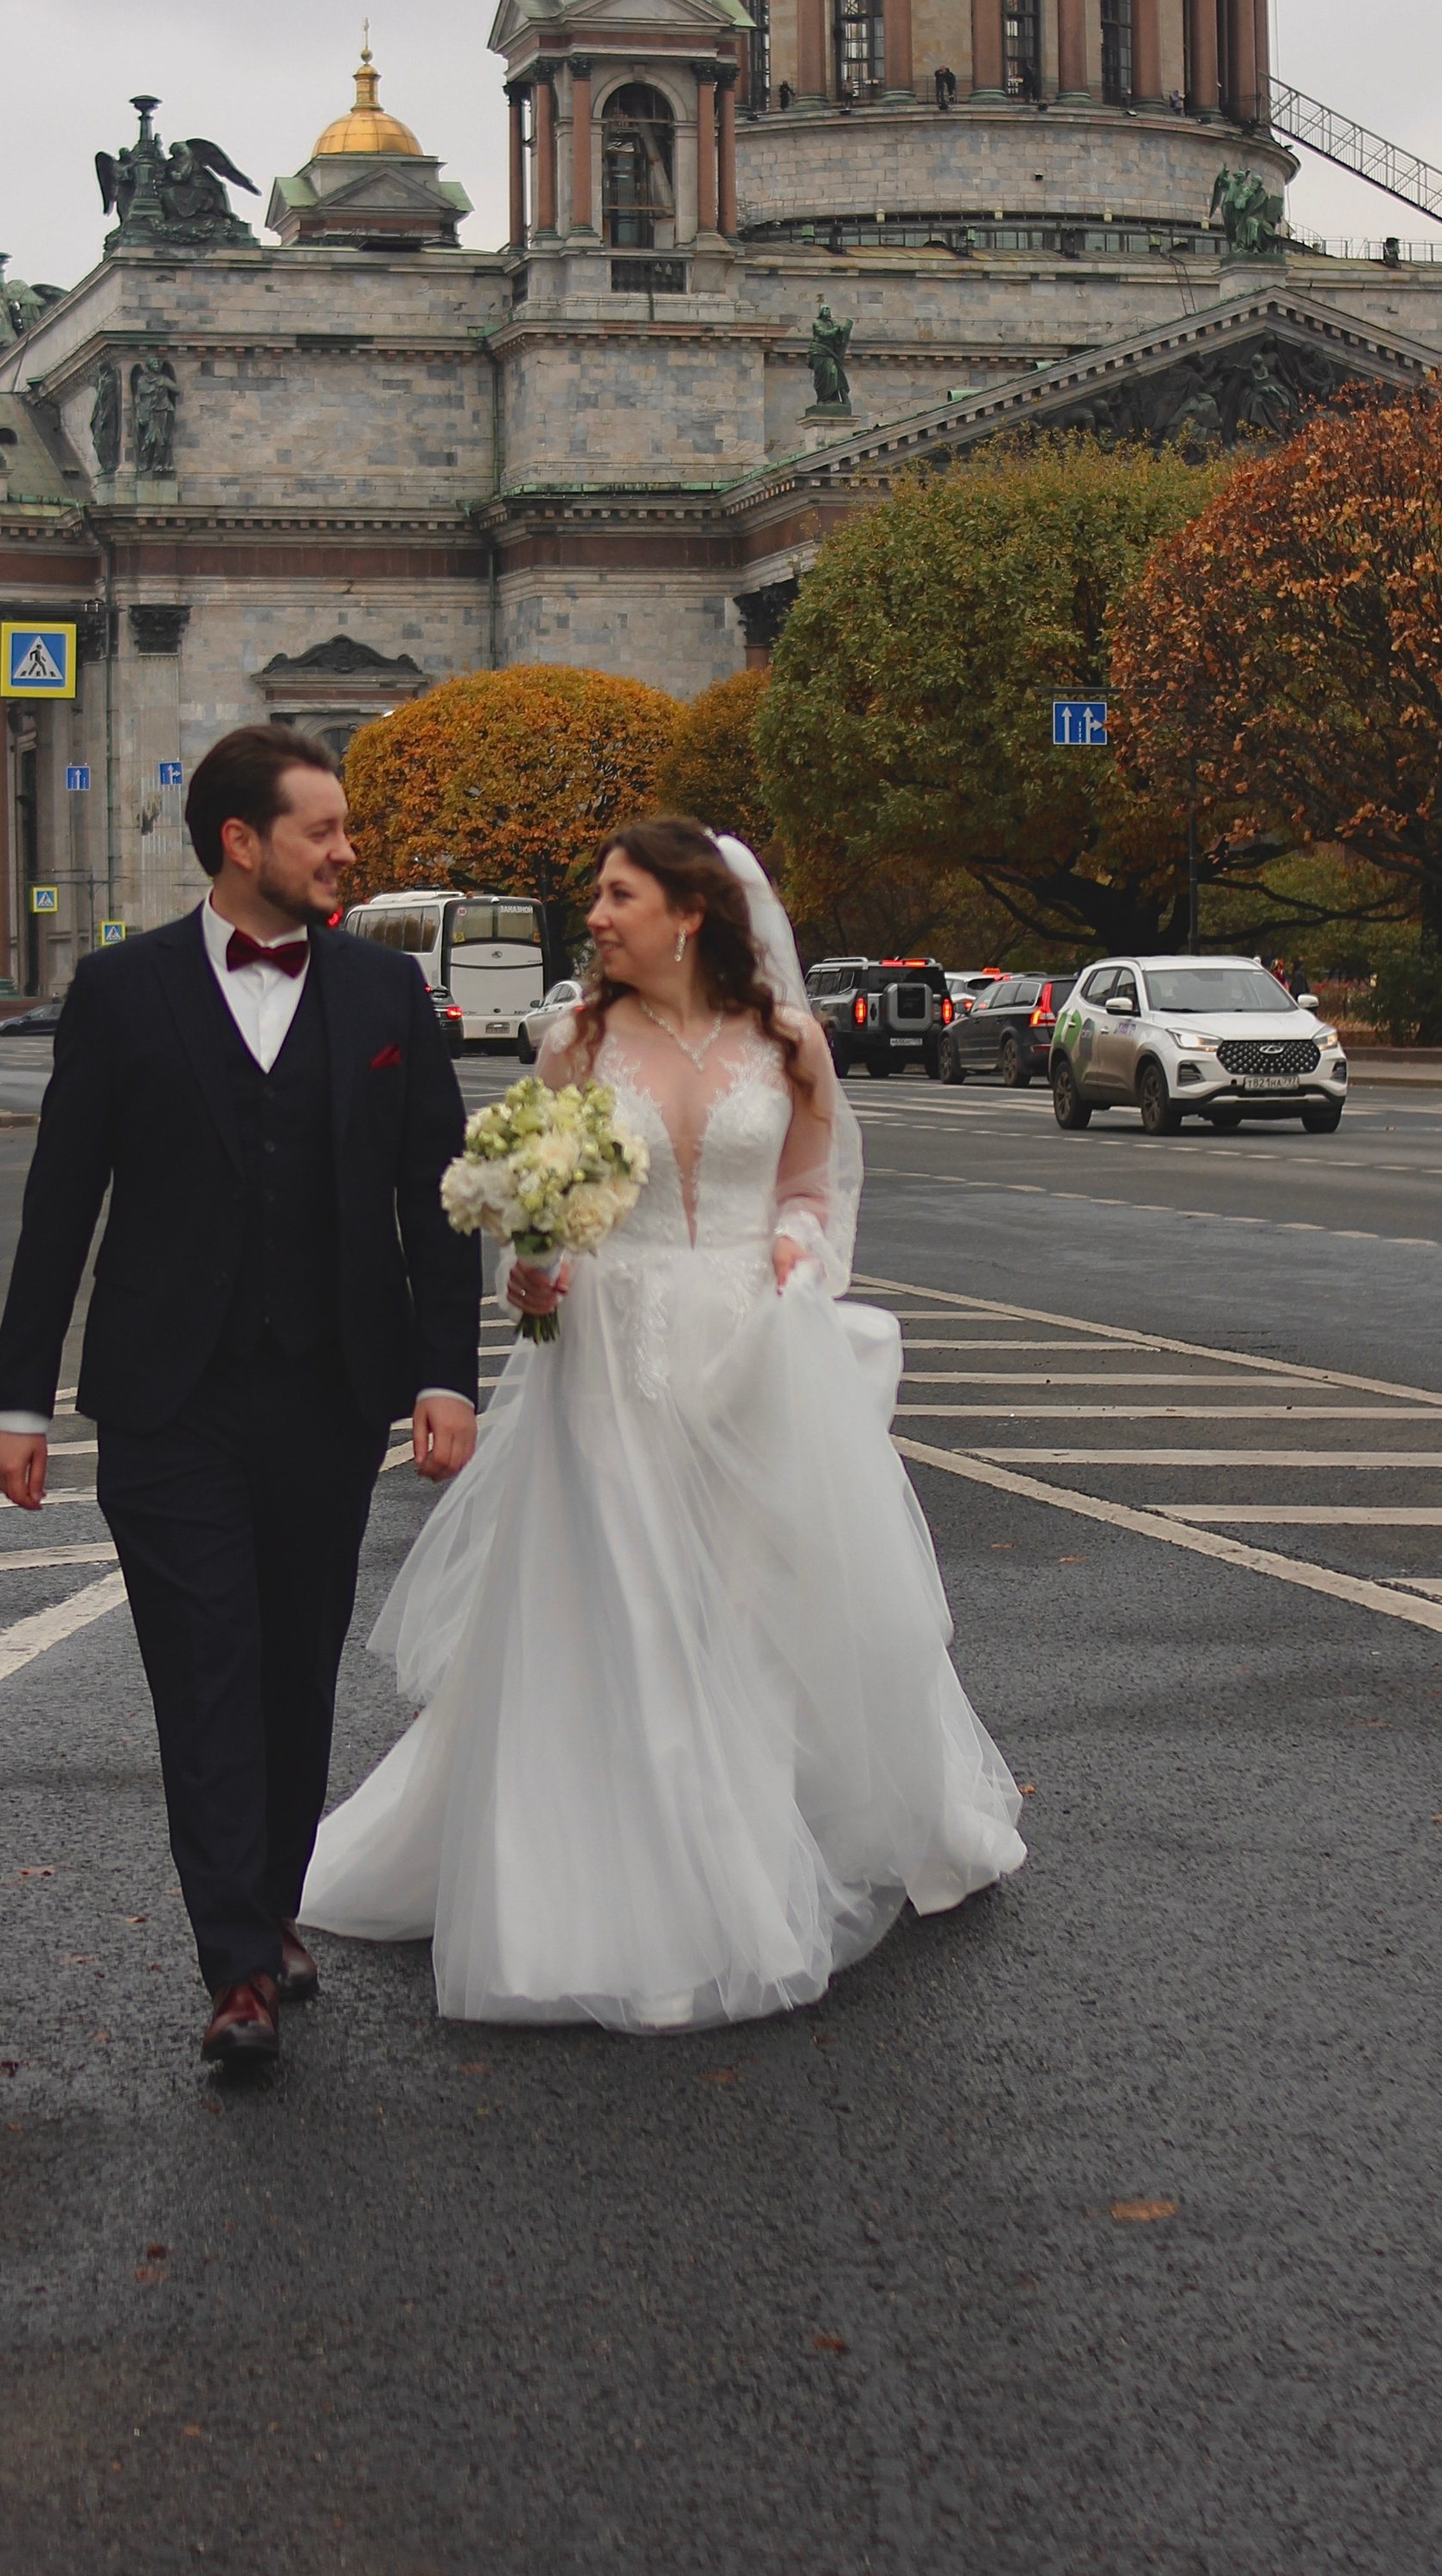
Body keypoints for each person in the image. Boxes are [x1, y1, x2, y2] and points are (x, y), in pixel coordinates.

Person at [301, 817, 1025, 2035]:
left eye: (617, 895)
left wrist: (798, 1252)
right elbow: (530, 1211)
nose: (594, 914)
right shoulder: (574, 1042)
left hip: (750, 1351)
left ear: (688, 913)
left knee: (747, 1608)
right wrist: (530, 1275)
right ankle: (641, 1890)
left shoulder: (789, 1041)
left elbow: (810, 1186)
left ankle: (757, 1831)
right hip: (609, 1359)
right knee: (631, 1608)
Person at [0, 726, 481, 2070]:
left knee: (293, 1666)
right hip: (167, 1400)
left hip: (329, 1393)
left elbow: (440, 1206)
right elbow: (59, 1209)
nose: (348, 849)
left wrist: (447, 1372)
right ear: (242, 844)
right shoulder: (121, 992)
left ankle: (270, 1897)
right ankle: (239, 1966)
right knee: (203, 1667)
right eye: (323, 829)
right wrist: (18, 1398)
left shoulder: (387, 995)